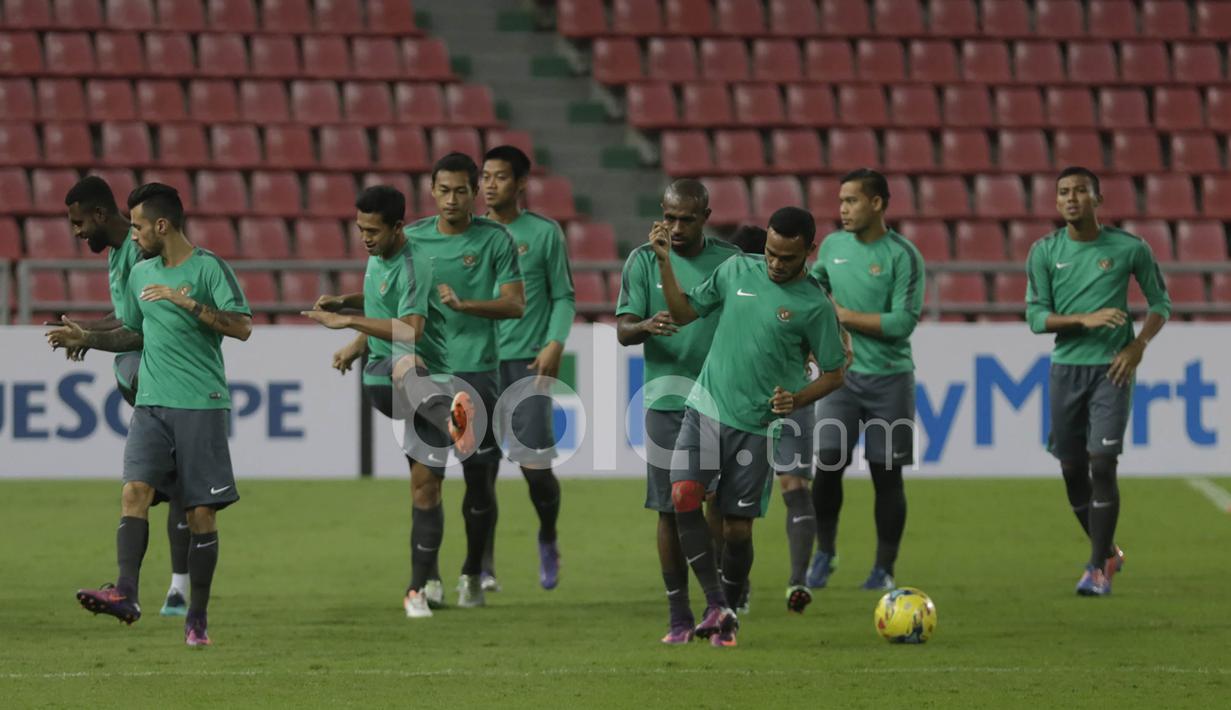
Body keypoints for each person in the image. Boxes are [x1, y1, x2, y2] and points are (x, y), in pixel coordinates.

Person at [50, 183, 252, 647]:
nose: (133, 234)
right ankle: (126, 594)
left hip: (200, 403)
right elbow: (133, 335)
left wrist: (189, 303)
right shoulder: (141, 275)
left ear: (162, 225)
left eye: (139, 225)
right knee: (134, 492)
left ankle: (196, 615)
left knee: (201, 513)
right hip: (151, 404)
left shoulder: (208, 268)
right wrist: (88, 338)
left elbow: (242, 326)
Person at [655, 206, 847, 647]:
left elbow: (835, 373)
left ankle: (730, 605)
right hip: (706, 406)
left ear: (808, 253)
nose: (776, 264)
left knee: (738, 530)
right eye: (771, 253)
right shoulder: (737, 269)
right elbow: (684, 313)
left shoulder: (815, 305)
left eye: (787, 258)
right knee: (683, 494)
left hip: (758, 427)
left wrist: (796, 399)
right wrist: (665, 262)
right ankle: (716, 603)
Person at [304, 185, 466, 618]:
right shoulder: (379, 258)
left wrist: (347, 321)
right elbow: (383, 305)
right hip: (393, 380)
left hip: (427, 375)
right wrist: (350, 317)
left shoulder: (415, 266)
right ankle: (451, 418)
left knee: (426, 488)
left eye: (373, 230)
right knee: (393, 369)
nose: (365, 238)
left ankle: (422, 585)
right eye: (360, 229)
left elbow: (409, 328)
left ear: (398, 227)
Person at [1026, 166, 1171, 596]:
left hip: (1113, 368)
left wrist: (1138, 344)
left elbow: (1160, 302)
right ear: (1057, 202)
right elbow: (1036, 316)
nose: (1071, 198)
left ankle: (1095, 570)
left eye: (1080, 192)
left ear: (1097, 199)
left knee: (1102, 464)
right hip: (1066, 369)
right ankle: (1108, 550)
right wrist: (1082, 319)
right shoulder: (1044, 251)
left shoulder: (1129, 249)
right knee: (1072, 470)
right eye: (1064, 192)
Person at [54, 176, 192, 617]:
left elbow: (143, 328)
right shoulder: (119, 253)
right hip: (145, 388)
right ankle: (155, 590)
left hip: (165, 388)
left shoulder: (142, 252)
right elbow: (126, 315)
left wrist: (89, 336)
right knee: (157, 489)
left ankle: (174, 590)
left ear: (99, 214)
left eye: (79, 223)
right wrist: (89, 331)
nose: (76, 233)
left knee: (167, 489)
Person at [616, 180, 741, 644]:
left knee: (719, 511)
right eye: (669, 216)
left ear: (705, 215)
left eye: (686, 218)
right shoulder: (641, 260)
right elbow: (623, 330)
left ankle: (719, 604)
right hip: (667, 399)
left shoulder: (730, 261)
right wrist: (646, 325)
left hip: (722, 401)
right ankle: (679, 616)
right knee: (669, 510)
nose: (675, 227)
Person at [404, 152, 525, 607]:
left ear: (474, 193)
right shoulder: (412, 239)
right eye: (443, 190)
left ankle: (473, 571)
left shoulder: (495, 239)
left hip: (477, 373)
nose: (451, 199)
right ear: (431, 190)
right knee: (424, 481)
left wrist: (465, 305)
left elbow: (515, 304)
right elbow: (391, 303)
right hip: (423, 373)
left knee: (479, 482)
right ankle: (427, 579)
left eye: (460, 190)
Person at [806, 169, 925, 594]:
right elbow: (815, 285)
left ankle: (883, 568)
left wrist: (843, 316)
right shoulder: (834, 246)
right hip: (842, 379)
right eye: (840, 201)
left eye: (852, 201)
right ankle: (825, 552)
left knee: (886, 475)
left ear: (877, 203)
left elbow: (901, 323)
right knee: (828, 465)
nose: (843, 210)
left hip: (890, 380)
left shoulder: (903, 256)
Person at [479, 145, 575, 591]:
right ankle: (482, 564)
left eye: (498, 177)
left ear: (520, 184)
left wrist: (555, 342)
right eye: (484, 176)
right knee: (480, 472)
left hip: (526, 364)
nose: (488, 184)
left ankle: (549, 535)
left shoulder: (543, 233)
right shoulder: (468, 235)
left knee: (535, 472)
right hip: (475, 365)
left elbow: (563, 295)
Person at [728, 224, 827, 614]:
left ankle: (741, 590)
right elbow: (830, 345)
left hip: (744, 401)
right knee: (795, 485)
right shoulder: (811, 289)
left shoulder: (737, 288)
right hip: (795, 394)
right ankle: (798, 579)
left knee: (732, 502)